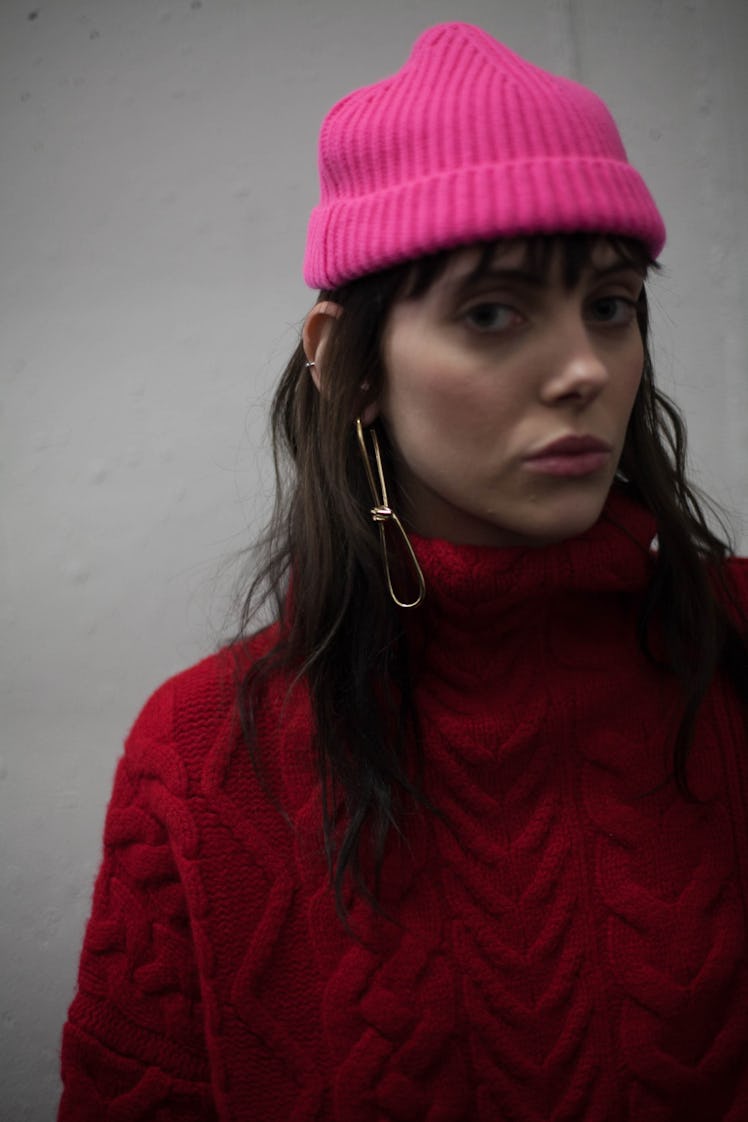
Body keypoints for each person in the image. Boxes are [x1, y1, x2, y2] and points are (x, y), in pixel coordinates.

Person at [58, 21, 748, 1121]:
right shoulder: (198, 763)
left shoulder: (737, 646)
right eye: (491, 312)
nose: (582, 369)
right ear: (348, 365)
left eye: (610, 305)